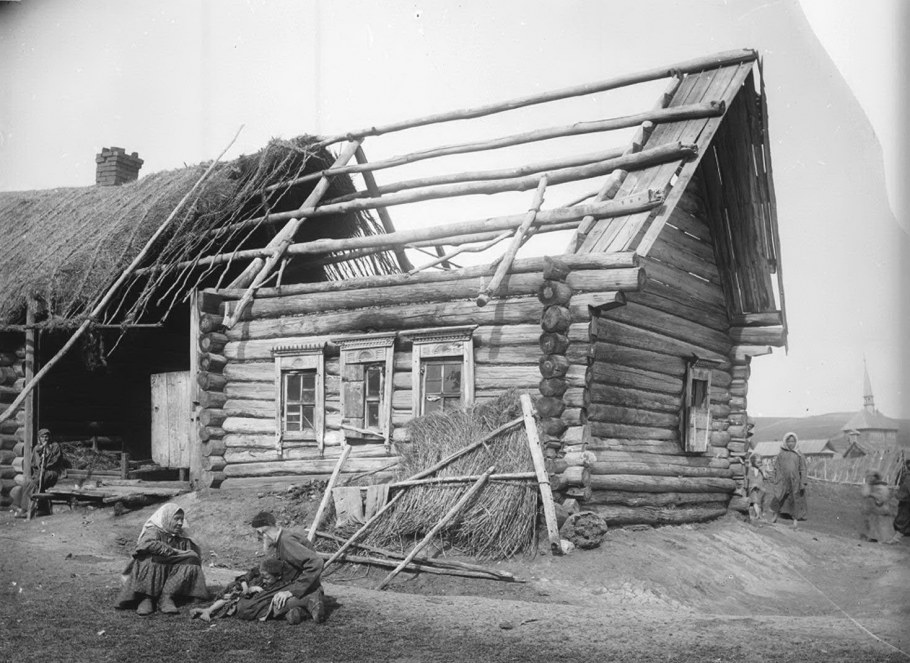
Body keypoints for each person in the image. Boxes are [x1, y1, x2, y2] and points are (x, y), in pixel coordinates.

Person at [116, 503, 210, 616]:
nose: (180, 523)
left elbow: (192, 554)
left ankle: (167, 597)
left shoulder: (181, 536)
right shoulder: (153, 531)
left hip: (171, 571)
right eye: (176, 519)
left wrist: (188, 554)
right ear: (166, 518)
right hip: (152, 567)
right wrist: (175, 551)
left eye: (182, 519)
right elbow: (146, 545)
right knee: (150, 558)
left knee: (192, 559)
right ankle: (147, 598)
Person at [248, 510, 326, 624]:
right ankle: (300, 610)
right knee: (268, 601)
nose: (259, 539)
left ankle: (308, 599)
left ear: (262, 531)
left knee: (263, 606)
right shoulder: (282, 539)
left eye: (259, 534)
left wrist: (291, 592)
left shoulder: (286, 541)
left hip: (305, 589)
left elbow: (316, 562)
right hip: (301, 587)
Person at [190, 558, 287, 622]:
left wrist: (247, 591)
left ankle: (209, 611)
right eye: (263, 578)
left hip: (247, 601)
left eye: (267, 578)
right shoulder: (262, 577)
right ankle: (208, 610)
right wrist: (246, 588)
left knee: (231, 600)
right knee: (230, 594)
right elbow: (249, 576)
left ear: (278, 577)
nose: (264, 580)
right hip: (244, 595)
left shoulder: (277, 586)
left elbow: (257, 598)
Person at [12, 428, 69, 518]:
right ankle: (27, 508)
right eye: (42, 437)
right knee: (28, 483)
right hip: (40, 473)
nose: (45, 439)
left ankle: (26, 510)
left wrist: (46, 452)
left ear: (49, 437)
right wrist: (41, 454)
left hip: (52, 473)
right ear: (39, 438)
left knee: (35, 483)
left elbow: (55, 461)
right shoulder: (36, 449)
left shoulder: (55, 446)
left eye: (46, 437)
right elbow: (35, 463)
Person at [769, 432, 807, 528]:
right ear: (785, 442)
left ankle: (795, 521)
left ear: (796, 442)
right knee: (778, 497)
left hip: (795, 482)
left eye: (793, 441)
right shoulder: (781, 454)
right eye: (789, 441)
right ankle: (774, 517)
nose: (791, 443)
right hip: (782, 481)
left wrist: (803, 482)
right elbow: (776, 467)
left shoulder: (799, 455)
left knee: (795, 499)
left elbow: (803, 469)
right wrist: (775, 478)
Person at [860, 471, 896, 543]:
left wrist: (872, 495)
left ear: (876, 477)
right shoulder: (872, 486)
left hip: (880, 508)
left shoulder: (881, 487)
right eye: (868, 477)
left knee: (881, 525)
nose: (869, 479)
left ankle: (884, 540)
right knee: (873, 523)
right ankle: (873, 538)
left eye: (871, 477)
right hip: (874, 510)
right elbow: (864, 494)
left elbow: (882, 498)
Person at [744, 455, 767, 522]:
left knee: (760, 501)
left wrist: (763, 471)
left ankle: (759, 514)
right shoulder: (750, 469)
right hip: (752, 488)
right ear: (753, 462)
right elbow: (749, 477)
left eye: (760, 462)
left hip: (760, 488)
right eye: (758, 462)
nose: (760, 464)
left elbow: (765, 477)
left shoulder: (761, 470)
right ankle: (758, 514)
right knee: (755, 501)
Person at [893, 459, 910, 539]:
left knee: (903, 516)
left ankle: (899, 534)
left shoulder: (907, 476)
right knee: (903, 515)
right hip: (904, 499)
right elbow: (899, 482)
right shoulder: (905, 474)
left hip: (906, 499)